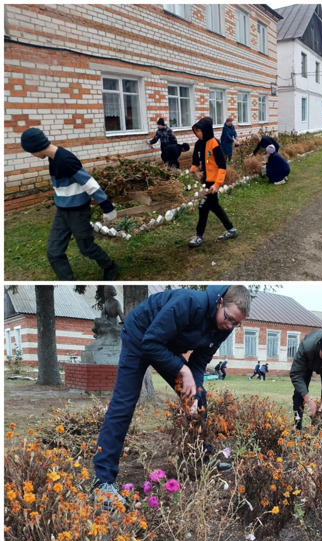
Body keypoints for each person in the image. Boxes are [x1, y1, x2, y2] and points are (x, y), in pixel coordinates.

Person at [92, 285, 250, 509]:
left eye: (237, 323)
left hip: (164, 345)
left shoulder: (224, 325)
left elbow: (199, 361)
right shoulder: (188, 303)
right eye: (229, 319)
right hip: (139, 335)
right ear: (220, 302)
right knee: (124, 404)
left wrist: (194, 390)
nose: (230, 326)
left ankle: (202, 458)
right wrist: (182, 371)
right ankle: (102, 483)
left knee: (199, 397)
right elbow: (150, 342)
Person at [20, 128, 119, 281]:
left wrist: (107, 206)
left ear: (36, 148)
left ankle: (110, 266)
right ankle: (68, 283)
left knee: (86, 248)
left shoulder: (65, 159)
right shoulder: (52, 158)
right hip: (62, 211)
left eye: (30, 152)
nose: (32, 155)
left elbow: (89, 183)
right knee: (54, 252)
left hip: (78, 212)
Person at [188, 116, 239, 248]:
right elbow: (195, 162)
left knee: (202, 208)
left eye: (200, 131)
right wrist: (191, 172)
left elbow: (222, 166)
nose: (198, 133)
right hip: (205, 181)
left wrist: (217, 184)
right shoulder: (198, 144)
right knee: (215, 207)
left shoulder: (214, 144)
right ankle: (231, 229)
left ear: (206, 130)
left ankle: (199, 236)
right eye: (196, 131)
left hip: (213, 183)